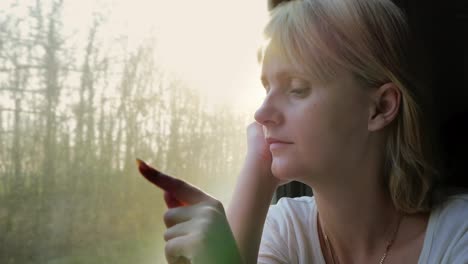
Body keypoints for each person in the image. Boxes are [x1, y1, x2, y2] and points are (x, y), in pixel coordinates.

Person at [155, 0, 468, 263]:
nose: (261, 113)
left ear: (381, 107)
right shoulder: (285, 230)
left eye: (297, 89)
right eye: (266, 88)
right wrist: (257, 173)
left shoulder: (458, 234)